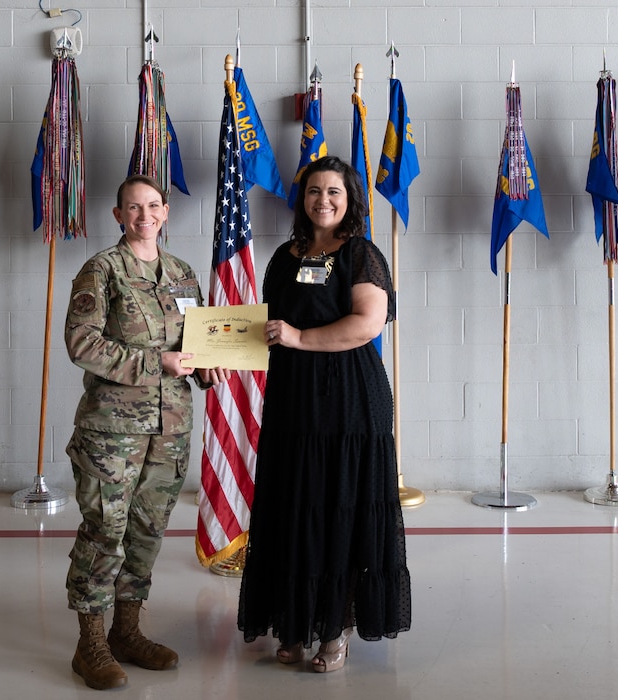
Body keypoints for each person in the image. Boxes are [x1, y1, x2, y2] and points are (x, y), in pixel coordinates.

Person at [237, 156, 411, 672]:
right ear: (303, 199)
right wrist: (213, 352)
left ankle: (334, 629)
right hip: (293, 399)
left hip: (348, 401)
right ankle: (294, 623)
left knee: (338, 508)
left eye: (334, 191)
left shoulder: (361, 253)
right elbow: (263, 326)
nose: (324, 201)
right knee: (293, 505)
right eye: (315, 191)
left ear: (350, 198)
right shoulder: (284, 256)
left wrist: (298, 337)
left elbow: (366, 323)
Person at [64, 174, 230, 690]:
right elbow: (81, 343)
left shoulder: (181, 273)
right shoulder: (102, 270)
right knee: (103, 533)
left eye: (153, 205)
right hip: (113, 431)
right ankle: (89, 644)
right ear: (118, 215)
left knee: (146, 533)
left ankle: (126, 632)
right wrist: (156, 362)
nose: (144, 215)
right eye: (133, 208)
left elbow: (198, 342)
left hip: (171, 428)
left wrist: (206, 367)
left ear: (164, 212)